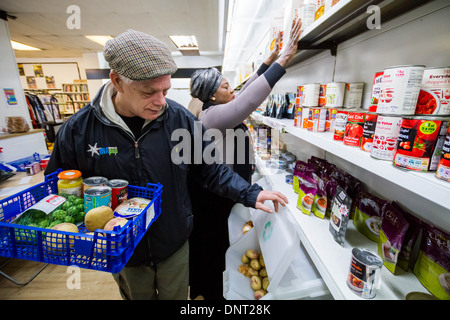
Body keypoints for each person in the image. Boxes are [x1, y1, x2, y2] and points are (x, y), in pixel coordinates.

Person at [44, 29, 288, 300]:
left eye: (166, 90)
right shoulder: (80, 130)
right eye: (149, 91)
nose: (161, 101)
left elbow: (209, 169)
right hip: (125, 251)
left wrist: (250, 193)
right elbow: (59, 187)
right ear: (117, 81)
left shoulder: (179, 119)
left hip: (174, 243)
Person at [187, 19, 302, 300]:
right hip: (213, 198)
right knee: (213, 249)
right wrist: (284, 59)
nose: (232, 89)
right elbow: (246, 101)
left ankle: (213, 289)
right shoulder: (212, 116)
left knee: (217, 246)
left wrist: (269, 60)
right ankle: (212, 295)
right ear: (213, 94)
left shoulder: (217, 106)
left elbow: (243, 89)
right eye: (226, 86)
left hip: (221, 193)